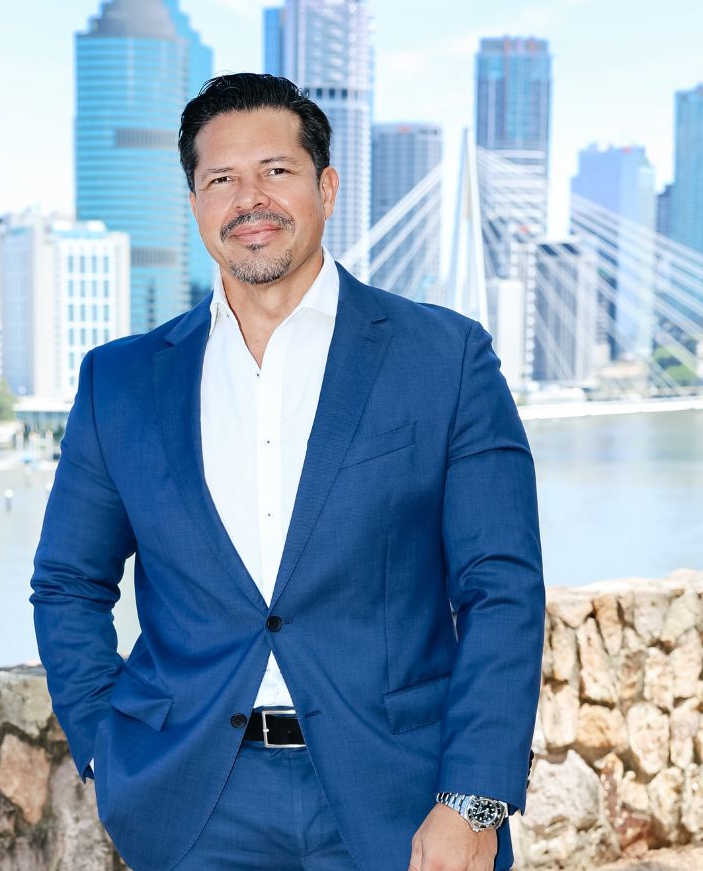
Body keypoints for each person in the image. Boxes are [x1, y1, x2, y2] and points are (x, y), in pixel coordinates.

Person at [31, 73, 545, 871]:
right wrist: (108, 750)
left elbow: (501, 589)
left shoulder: (445, 358)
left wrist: (474, 801)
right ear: (196, 204)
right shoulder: (119, 382)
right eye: (221, 180)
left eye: (276, 170)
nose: (249, 198)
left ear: (326, 187)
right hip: (194, 805)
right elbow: (67, 582)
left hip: (403, 799)